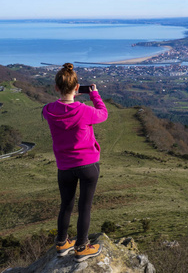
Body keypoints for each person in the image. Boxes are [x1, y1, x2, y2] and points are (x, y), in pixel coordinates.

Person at [42, 63, 108, 262]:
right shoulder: (84, 110)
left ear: (56, 87)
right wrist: (94, 95)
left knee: (66, 205)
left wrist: (67, 97)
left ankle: (62, 243)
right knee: (84, 206)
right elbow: (103, 113)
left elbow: (59, 108)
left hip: (65, 167)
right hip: (88, 165)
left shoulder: (48, 111)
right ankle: (81, 247)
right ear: (77, 88)